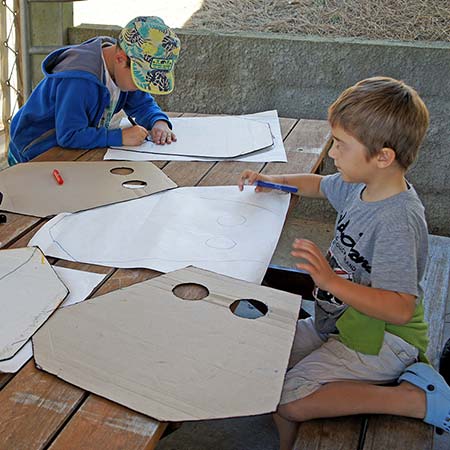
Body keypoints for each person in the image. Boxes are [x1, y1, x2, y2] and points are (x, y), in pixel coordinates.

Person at [239, 77, 450, 449]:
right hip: (339, 323)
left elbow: (401, 309)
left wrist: (330, 281)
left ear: (383, 156)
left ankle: (412, 400)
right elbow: (318, 185)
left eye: (341, 144)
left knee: (286, 397)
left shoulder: (396, 221)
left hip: (384, 340)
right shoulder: (360, 184)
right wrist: (273, 181)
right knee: (262, 360)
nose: (332, 152)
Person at [8, 16, 180, 165]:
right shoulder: (79, 81)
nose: (142, 87)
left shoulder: (120, 65)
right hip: (35, 152)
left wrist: (158, 122)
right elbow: (70, 135)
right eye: (140, 80)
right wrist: (119, 137)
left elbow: (142, 104)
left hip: (73, 148)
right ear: (120, 59)